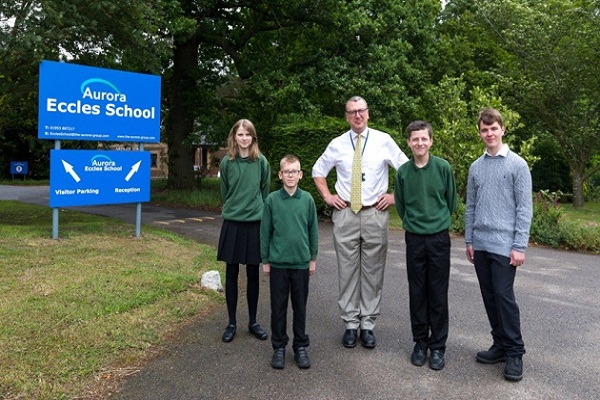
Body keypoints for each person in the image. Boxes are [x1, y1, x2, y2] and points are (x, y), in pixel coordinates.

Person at [312, 96, 408, 349]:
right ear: (346, 116)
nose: (357, 115)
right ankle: (351, 323)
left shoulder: (383, 140)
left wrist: (394, 196)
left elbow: (407, 170)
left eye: (361, 111)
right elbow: (317, 171)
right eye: (352, 112)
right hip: (345, 214)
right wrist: (328, 197)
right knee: (347, 269)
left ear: (368, 113)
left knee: (373, 270)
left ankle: (368, 324)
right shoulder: (337, 144)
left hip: (374, 213)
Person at [465, 108, 533, 382]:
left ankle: (515, 351)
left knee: (504, 298)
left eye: (493, 128)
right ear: (480, 133)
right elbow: (471, 206)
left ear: (503, 130)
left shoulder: (518, 165)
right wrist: (469, 239)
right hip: (480, 245)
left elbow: (524, 209)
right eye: (484, 129)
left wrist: (520, 245)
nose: (489, 133)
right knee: (490, 297)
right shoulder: (476, 167)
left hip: (505, 246)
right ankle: (500, 345)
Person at [394, 120, 457, 371]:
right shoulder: (403, 172)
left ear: (431, 141)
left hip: (439, 238)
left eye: (424, 138)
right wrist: (413, 224)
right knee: (417, 292)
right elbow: (400, 205)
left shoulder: (442, 168)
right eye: (414, 139)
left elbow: (451, 201)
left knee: (438, 294)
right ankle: (420, 342)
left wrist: (437, 223)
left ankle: (438, 347)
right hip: (415, 239)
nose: (419, 143)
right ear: (408, 143)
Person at [261, 154, 318, 370]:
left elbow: (313, 230)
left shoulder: (308, 200)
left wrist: (312, 258)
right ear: (280, 174)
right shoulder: (272, 200)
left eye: (294, 171)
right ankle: (279, 347)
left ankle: (300, 346)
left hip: (301, 263)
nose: (290, 175)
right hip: (278, 264)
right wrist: (266, 260)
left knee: (300, 307)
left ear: (300, 174)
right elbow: (265, 232)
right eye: (286, 171)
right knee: (278, 307)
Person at [217, 119, 271, 343]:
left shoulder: (261, 162)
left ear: (253, 137)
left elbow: (264, 190)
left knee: (252, 274)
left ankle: (253, 322)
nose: (244, 138)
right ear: (234, 137)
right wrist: (235, 208)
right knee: (231, 273)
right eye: (240, 134)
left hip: (254, 223)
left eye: (248, 134)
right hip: (233, 222)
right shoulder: (227, 163)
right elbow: (225, 192)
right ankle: (231, 323)